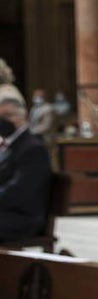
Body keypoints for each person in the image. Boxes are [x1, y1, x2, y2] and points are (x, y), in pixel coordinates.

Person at [0, 87, 52, 243]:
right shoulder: (10, 145)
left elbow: (19, 191)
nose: (3, 122)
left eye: (7, 116)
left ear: (23, 117)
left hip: (23, 218)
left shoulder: (32, 148)